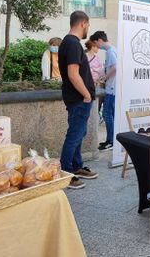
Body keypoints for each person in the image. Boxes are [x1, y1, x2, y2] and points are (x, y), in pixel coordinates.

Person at [59, 11, 98, 189]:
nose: (87, 29)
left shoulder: (69, 43)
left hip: (77, 98)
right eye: (88, 25)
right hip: (79, 99)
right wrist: (87, 94)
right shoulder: (73, 44)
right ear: (83, 23)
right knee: (74, 134)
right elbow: (73, 75)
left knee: (79, 133)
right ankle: (66, 172)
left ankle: (76, 166)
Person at [90, 31, 117, 151]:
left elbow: (115, 67)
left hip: (112, 88)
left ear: (100, 40)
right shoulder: (112, 50)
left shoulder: (111, 51)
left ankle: (111, 141)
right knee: (110, 114)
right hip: (112, 87)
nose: (97, 46)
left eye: (96, 43)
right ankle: (111, 140)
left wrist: (104, 78)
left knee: (107, 114)